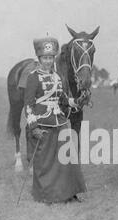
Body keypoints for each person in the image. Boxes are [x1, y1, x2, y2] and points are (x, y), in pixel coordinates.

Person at [24, 36, 87, 204]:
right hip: (43, 124)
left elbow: (63, 99)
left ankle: (68, 193)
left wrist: (76, 101)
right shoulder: (33, 77)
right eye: (45, 58)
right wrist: (33, 127)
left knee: (66, 160)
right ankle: (47, 195)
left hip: (59, 121)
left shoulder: (57, 76)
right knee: (45, 164)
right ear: (39, 58)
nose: (48, 61)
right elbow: (28, 105)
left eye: (51, 58)